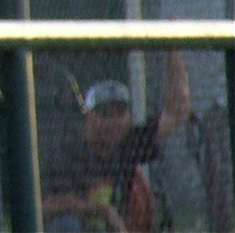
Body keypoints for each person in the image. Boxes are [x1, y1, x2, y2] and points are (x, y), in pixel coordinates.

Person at [42, 52, 191, 233]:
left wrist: (172, 49)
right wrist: (101, 211)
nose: (113, 122)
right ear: (88, 117)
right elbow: (43, 206)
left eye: (120, 113)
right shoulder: (68, 154)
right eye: (105, 114)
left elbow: (177, 111)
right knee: (66, 224)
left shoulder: (128, 144)